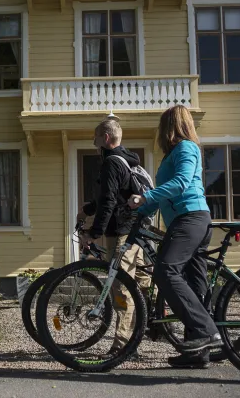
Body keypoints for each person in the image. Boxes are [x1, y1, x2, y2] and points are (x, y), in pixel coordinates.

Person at [129, 105, 223, 369]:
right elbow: (165, 193)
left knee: (165, 270)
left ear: (169, 126)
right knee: (194, 285)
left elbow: (181, 183)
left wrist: (146, 196)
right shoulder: (174, 154)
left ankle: (206, 330)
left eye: (162, 126)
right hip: (188, 220)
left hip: (190, 218)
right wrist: (139, 209)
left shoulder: (186, 148)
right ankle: (198, 354)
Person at [78, 117, 151, 358]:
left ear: (106, 138)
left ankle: (123, 346)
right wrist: (88, 209)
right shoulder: (127, 161)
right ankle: (148, 329)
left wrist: (93, 233)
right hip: (135, 231)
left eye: (96, 137)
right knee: (139, 286)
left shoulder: (111, 163)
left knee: (120, 289)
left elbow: (109, 201)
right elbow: (114, 195)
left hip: (120, 233)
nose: (94, 142)